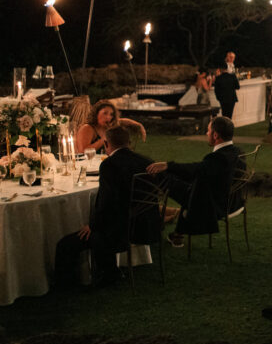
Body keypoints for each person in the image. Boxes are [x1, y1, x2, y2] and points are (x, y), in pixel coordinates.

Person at [54, 124, 155, 288]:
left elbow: (108, 203)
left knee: (66, 244)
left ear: (106, 144)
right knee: (100, 230)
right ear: (128, 142)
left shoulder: (110, 165)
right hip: (144, 224)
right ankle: (110, 272)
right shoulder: (145, 161)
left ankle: (67, 285)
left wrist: (92, 226)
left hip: (121, 230)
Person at [146, 116, 245, 246]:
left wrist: (168, 165)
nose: (206, 133)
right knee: (182, 183)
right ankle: (176, 233)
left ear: (215, 135)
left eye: (208, 131)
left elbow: (196, 169)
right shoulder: (236, 152)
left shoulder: (218, 158)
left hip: (214, 204)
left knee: (161, 178)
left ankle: (150, 221)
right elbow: (199, 170)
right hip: (230, 199)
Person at [74, 101, 147, 154]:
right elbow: (82, 151)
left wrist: (139, 126)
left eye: (111, 114)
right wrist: (104, 138)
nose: (108, 117)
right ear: (96, 113)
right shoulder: (88, 128)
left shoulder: (107, 125)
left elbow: (123, 121)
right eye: (105, 113)